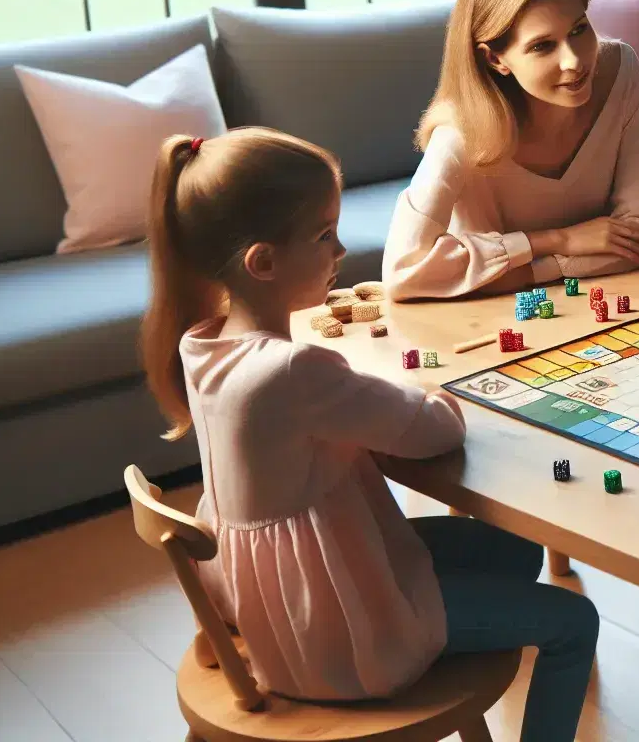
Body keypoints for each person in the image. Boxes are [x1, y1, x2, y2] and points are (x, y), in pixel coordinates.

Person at [141, 128, 599, 742]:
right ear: (264, 262)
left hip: (277, 605)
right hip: (341, 637)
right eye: (323, 234)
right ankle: (448, 647)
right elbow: (433, 430)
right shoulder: (293, 371)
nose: (340, 248)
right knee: (576, 621)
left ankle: (468, 633)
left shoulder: (204, 344)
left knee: (516, 551)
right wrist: (439, 392)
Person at [384, 0, 639, 300]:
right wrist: (558, 241)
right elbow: (402, 274)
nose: (575, 61)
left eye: (579, 29)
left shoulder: (620, 71)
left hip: (591, 302)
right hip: (484, 321)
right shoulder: (460, 131)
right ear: (494, 59)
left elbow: (638, 237)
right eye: (543, 46)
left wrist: (524, 270)